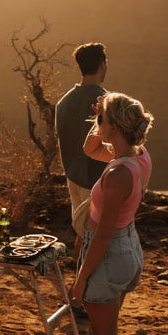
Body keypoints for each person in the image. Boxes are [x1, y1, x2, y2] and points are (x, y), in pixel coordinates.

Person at [72, 92, 154, 335]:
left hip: (110, 254)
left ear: (117, 127)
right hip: (128, 245)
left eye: (101, 120)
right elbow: (90, 149)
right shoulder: (138, 155)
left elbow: (102, 237)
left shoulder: (117, 175)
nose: (97, 125)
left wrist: (81, 279)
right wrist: (102, 117)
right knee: (107, 333)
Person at [55, 43, 108, 256]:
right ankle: (85, 283)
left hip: (73, 176)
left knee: (81, 232)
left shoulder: (64, 102)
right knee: (97, 239)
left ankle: (79, 275)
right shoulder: (104, 101)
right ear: (102, 65)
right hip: (96, 179)